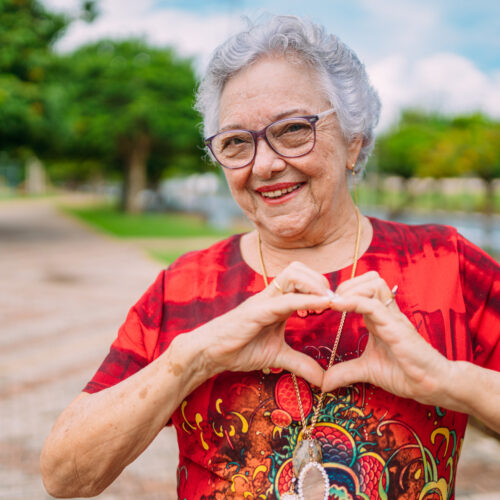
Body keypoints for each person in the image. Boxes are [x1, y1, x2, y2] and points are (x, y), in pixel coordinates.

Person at [41, 15, 500, 500]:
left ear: (354, 139)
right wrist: (195, 359)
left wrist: (447, 381)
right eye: (237, 142)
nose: (264, 164)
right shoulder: (184, 286)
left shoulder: (446, 262)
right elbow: (66, 475)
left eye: (293, 130)